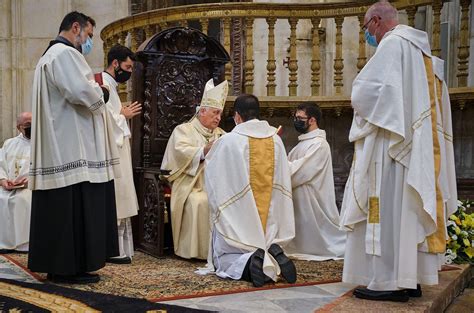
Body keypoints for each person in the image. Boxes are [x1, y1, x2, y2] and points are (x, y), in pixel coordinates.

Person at [339, 0, 457, 302]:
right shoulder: (422, 51)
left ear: (377, 21)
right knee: (405, 214)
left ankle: (387, 282)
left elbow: (364, 92)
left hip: (391, 147)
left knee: (386, 212)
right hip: (413, 149)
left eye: (367, 28)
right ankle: (409, 278)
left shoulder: (392, 46)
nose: (368, 35)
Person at [28, 11, 120, 284]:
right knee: (73, 206)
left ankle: (68, 265)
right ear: (76, 27)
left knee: (66, 209)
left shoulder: (49, 57)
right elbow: (82, 93)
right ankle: (67, 268)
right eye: (89, 35)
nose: (88, 41)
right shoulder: (64, 55)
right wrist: (101, 92)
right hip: (72, 148)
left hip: (64, 144)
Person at [202, 94, 296, 287]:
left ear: (237, 116)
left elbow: (215, 177)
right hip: (270, 217)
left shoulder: (229, 140)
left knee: (226, 257)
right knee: (266, 233)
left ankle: (249, 261)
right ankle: (271, 252)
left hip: (241, 216)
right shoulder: (275, 139)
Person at [161, 79, 228, 260]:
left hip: (217, 184)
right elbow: (179, 154)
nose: (218, 118)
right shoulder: (183, 130)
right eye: (215, 113)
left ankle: (223, 251)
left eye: (220, 114)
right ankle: (196, 252)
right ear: (202, 112)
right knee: (200, 202)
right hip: (189, 184)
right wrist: (204, 150)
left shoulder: (221, 134)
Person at [285, 102, 345, 261]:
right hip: (301, 202)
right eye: (295, 117)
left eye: (300, 117)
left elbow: (301, 171)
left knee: (331, 243)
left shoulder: (319, 144)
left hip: (313, 201)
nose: (296, 120)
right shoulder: (302, 143)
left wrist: (277, 165)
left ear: (312, 120)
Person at [101, 44, 142, 264]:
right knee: (117, 196)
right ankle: (113, 248)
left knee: (123, 195)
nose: (128, 72)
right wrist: (122, 115)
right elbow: (102, 120)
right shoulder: (101, 84)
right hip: (112, 152)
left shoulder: (112, 86)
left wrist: (121, 113)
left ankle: (121, 247)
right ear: (115, 63)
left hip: (119, 148)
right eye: (126, 67)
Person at [0, 112, 32, 253]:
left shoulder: (43, 144)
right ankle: (4, 243)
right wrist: (2, 180)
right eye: (27, 125)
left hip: (30, 187)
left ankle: (24, 244)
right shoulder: (9, 143)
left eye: (33, 123)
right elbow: (0, 164)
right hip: (9, 186)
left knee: (21, 200)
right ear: (19, 127)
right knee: (1, 198)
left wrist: (30, 181)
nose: (32, 127)